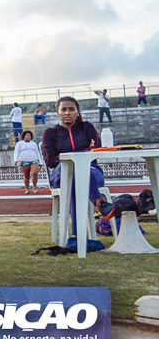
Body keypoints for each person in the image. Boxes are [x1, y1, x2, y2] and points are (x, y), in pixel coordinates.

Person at [41, 96, 104, 238]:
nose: (67, 113)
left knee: (76, 179)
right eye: (63, 109)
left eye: (71, 109)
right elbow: (51, 161)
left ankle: (78, 237)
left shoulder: (87, 128)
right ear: (58, 112)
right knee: (73, 172)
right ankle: (99, 201)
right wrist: (83, 153)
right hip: (61, 174)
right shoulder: (50, 133)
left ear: (77, 112)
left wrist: (76, 156)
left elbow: (97, 152)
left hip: (91, 171)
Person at [13, 130, 43, 194]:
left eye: (30, 135)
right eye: (27, 135)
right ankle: (27, 188)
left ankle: (34, 187)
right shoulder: (19, 143)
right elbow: (16, 152)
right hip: (24, 161)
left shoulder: (33, 143)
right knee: (26, 175)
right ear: (24, 136)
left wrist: (40, 162)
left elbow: (37, 153)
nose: (28, 136)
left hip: (34, 160)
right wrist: (15, 160)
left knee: (34, 173)